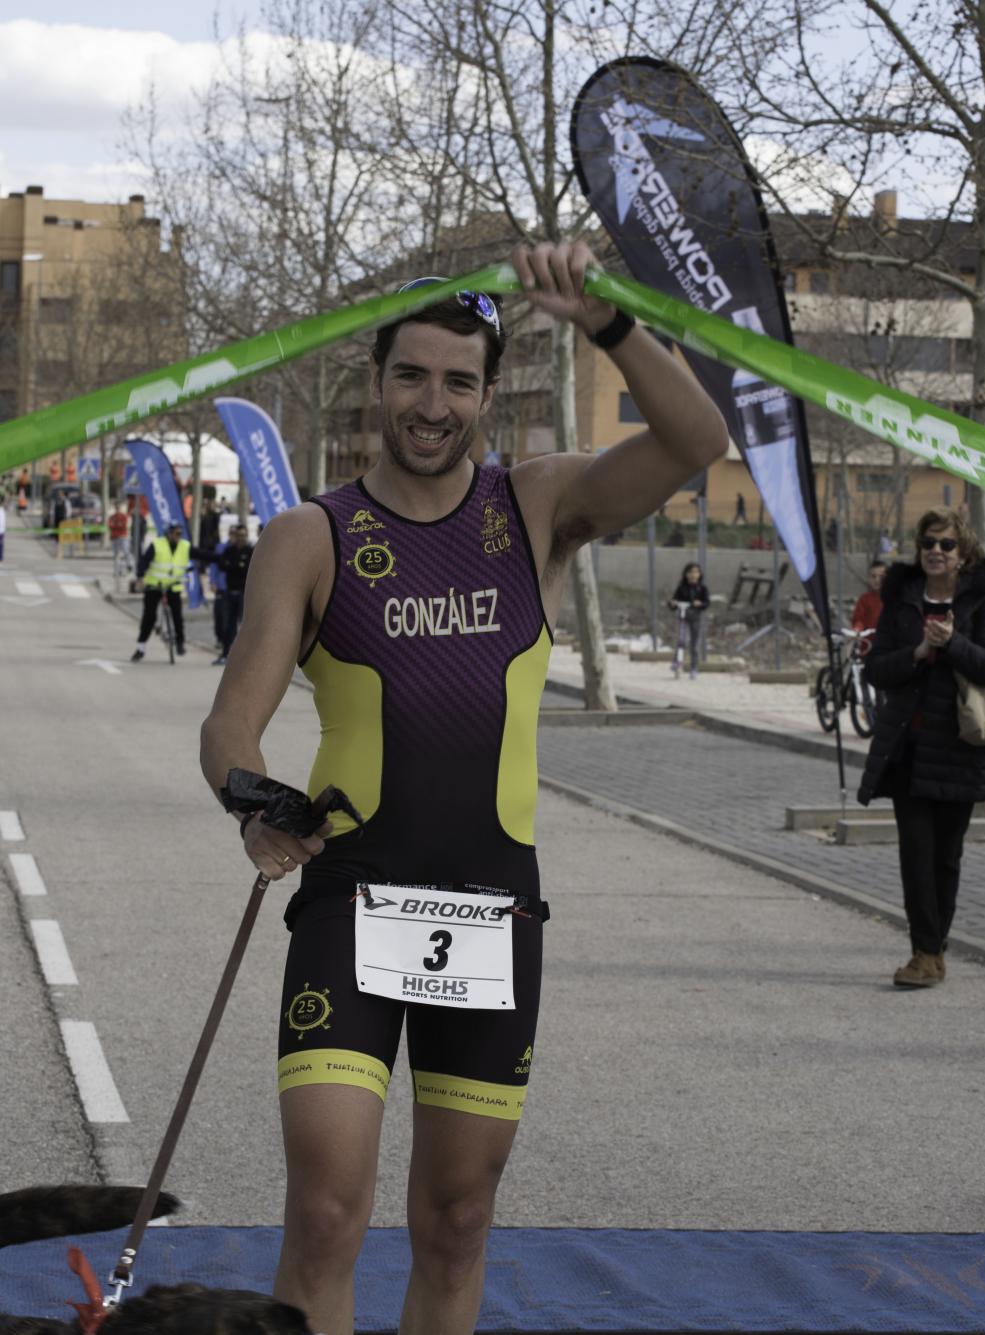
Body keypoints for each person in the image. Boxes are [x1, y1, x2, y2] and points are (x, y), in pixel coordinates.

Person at [197, 240, 728, 1335]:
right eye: (409, 376)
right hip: (354, 899)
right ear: (375, 379)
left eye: (456, 381)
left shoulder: (535, 506)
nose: (431, 405)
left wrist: (603, 320)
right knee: (326, 1213)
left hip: (490, 909)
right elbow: (229, 721)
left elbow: (696, 441)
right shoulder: (310, 534)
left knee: (457, 1220)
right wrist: (252, 800)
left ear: (487, 394)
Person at [855, 507, 985, 989]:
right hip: (908, 748)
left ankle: (936, 947)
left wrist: (953, 643)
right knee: (916, 854)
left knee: (947, 856)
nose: (936, 552)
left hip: (960, 748)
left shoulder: (980, 599)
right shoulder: (902, 597)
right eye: (928, 544)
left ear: (963, 553)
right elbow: (876, 670)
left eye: (946, 544)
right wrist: (918, 653)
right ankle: (923, 953)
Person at [131, 520, 191, 662]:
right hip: (154, 586)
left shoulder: (185, 545)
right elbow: (144, 561)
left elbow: (201, 554)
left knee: (177, 616)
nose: (178, 536)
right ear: (169, 533)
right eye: (176, 533)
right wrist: (140, 577)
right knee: (149, 616)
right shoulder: (157, 545)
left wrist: (220, 558)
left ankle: (180, 643)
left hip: (172, 586)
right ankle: (141, 647)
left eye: (180, 533)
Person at [208, 521, 253, 665]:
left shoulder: (250, 551)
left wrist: (233, 565)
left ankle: (248, 657)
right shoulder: (229, 550)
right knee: (228, 625)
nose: (241, 538)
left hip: (244, 594)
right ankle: (225, 654)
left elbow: (246, 569)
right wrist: (237, 565)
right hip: (229, 592)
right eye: (238, 535)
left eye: (243, 535)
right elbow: (222, 565)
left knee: (245, 625)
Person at [669, 561, 711, 678]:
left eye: (696, 572)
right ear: (686, 574)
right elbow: (674, 601)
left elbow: (707, 603)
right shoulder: (681, 588)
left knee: (695, 645)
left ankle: (694, 668)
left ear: (699, 574)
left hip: (696, 618)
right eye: (691, 572)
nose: (693, 575)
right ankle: (676, 661)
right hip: (684, 617)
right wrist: (673, 604)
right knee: (683, 640)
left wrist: (700, 604)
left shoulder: (702, 588)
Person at [850, 560, 886, 653]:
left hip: (888, 647)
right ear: (868, 578)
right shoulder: (864, 599)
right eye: (873, 576)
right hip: (868, 647)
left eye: (881, 577)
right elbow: (859, 619)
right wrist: (857, 629)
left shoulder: (894, 599)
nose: (877, 580)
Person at [108, 504, 132, 577]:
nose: (117, 509)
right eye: (116, 508)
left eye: (119, 508)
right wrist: (117, 525)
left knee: (126, 552)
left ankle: (129, 565)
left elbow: (124, 526)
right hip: (114, 537)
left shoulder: (124, 516)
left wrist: (116, 525)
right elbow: (110, 525)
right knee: (116, 555)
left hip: (123, 537)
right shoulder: (112, 517)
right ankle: (117, 571)